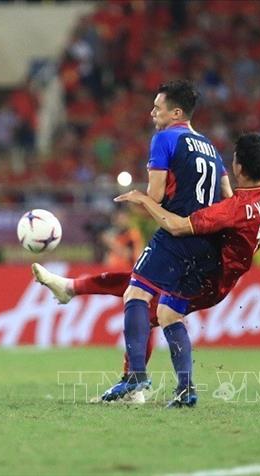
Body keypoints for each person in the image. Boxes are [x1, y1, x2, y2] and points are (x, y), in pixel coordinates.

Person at [33, 133, 260, 405]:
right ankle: (73, 289)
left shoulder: (231, 210)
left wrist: (145, 200)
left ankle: (148, 385)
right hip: (216, 269)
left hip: (209, 275)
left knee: (153, 307)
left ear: (238, 165)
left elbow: (177, 226)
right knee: (144, 290)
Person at [35, 79, 232, 407]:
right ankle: (184, 390)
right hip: (208, 243)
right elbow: (228, 198)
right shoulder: (211, 147)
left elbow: (155, 195)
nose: (152, 112)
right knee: (167, 311)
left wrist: (140, 199)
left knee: (136, 294)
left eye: (158, 107)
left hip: (176, 234)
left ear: (176, 112)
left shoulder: (165, 139)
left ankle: (136, 377)